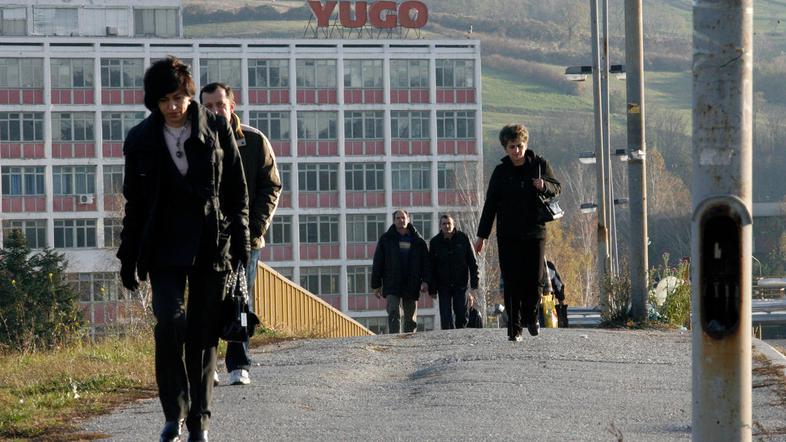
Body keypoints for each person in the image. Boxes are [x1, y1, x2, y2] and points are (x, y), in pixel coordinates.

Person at [117, 56, 250, 442]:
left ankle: (199, 421)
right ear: (154, 103)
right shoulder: (140, 140)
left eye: (178, 98)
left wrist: (241, 240)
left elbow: (236, 190)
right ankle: (173, 413)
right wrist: (128, 258)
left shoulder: (217, 128)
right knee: (169, 325)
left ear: (189, 95)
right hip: (162, 247)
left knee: (203, 335)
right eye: (164, 101)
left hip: (210, 244)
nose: (173, 107)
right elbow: (134, 204)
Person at [200, 82, 281, 387]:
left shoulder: (254, 140)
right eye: (208, 106)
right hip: (208, 239)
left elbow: (271, 186)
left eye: (219, 105)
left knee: (240, 300)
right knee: (207, 301)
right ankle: (208, 364)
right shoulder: (193, 142)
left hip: (245, 238)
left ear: (231, 106)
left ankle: (239, 364)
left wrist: (254, 228)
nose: (215, 111)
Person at [474, 123, 560, 342]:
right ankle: (514, 328)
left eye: (520, 145)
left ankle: (532, 316)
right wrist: (482, 236)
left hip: (535, 233)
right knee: (511, 281)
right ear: (505, 148)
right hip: (508, 235)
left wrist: (544, 185)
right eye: (512, 146)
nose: (516, 150)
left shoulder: (539, 165)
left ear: (526, 144)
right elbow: (490, 205)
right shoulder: (500, 172)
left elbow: (556, 188)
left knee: (534, 280)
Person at [371, 209, 431, 333]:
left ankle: (410, 339)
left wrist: (426, 281)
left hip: (412, 281)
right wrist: (376, 285)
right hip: (392, 281)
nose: (401, 220)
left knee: (410, 317)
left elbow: (426, 263)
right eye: (398, 218)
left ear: (408, 219)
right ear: (394, 221)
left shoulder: (418, 240)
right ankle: (395, 339)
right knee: (393, 311)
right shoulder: (386, 239)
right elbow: (378, 262)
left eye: (403, 218)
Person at [428, 213, 479, 329]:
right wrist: (432, 289)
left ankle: (461, 336)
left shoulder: (463, 238)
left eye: (449, 223)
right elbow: (431, 267)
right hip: (443, 285)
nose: (446, 226)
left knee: (461, 314)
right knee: (446, 317)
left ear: (454, 224)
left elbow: (473, 263)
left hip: (461, 284)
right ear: (440, 226)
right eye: (444, 224)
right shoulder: (435, 242)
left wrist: (474, 284)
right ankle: (447, 338)